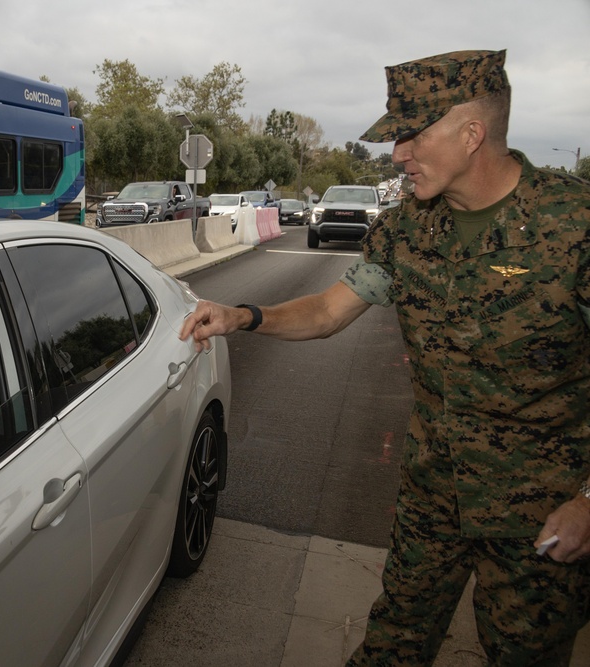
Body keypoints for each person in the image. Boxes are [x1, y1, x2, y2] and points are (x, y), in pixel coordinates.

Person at [180, 49, 590, 665]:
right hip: (433, 500)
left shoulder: (575, 227)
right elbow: (327, 311)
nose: (397, 153)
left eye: (410, 135)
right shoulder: (405, 231)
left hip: (543, 516)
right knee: (391, 647)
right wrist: (246, 316)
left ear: (472, 134)